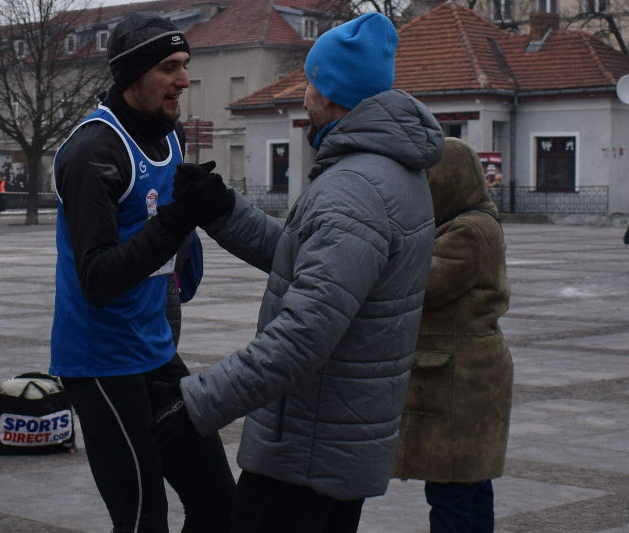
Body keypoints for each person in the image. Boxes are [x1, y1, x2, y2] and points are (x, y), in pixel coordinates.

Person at [149, 13, 445, 533]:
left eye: (311, 81)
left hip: (307, 451)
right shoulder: (385, 171)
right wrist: (221, 209)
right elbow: (307, 263)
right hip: (332, 442)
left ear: (330, 94)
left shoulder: (354, 190)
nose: (304, 92)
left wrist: (193, 405)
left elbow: (301, 338)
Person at [49, 12, 236, 532]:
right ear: (134, 75)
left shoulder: (167, 135)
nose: (184, 79)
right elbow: (99, 279)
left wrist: (197, 224)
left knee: (220, 499)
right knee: (141, 516)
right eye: (170, 67)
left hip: (154, 351)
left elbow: (166, 231)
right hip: (101, 361)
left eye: (185, 65)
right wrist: (180, 219)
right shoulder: (93, 151)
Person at [392, 137, 513, 532]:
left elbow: (423, 283)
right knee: (469, 483)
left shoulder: (470, 231)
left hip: (462, 381)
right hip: (467, 376)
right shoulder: (469, 223)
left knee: (452, 492)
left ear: (449, 180)